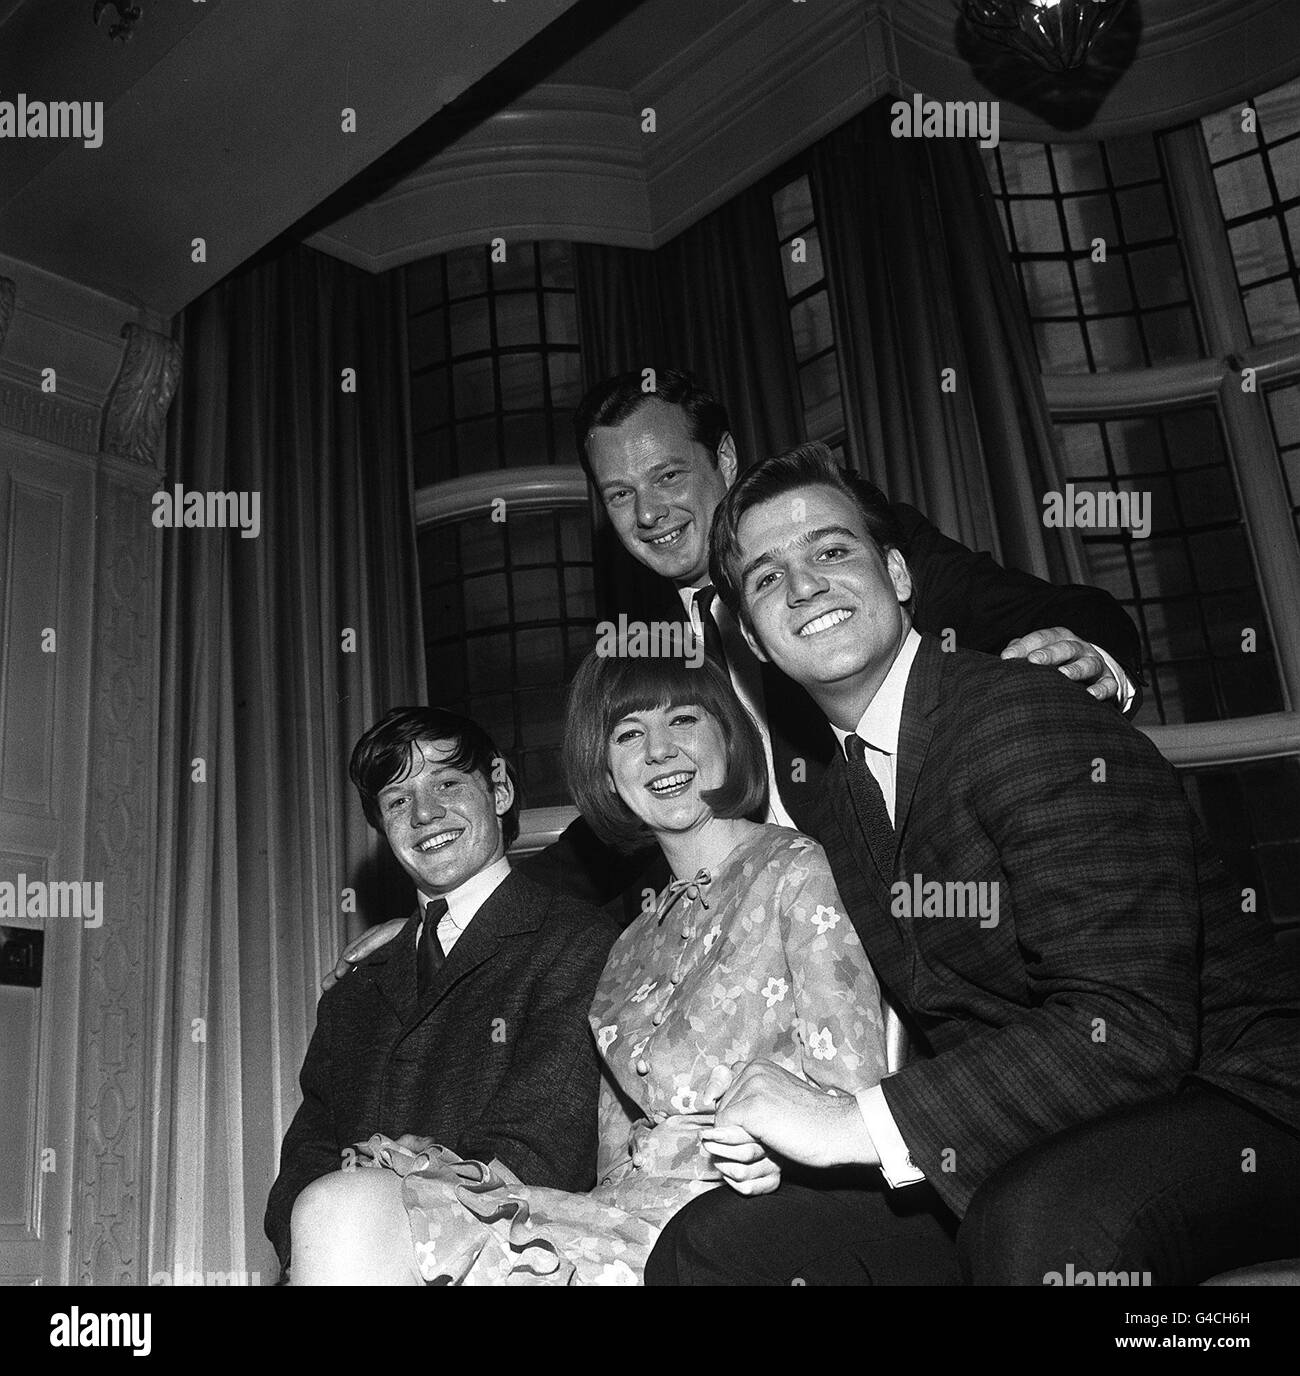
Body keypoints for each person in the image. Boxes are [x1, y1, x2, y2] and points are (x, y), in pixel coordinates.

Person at [646, 442, 1300, 1285]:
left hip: (1234, 1100)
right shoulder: (836, 800)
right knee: (716, 1244)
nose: (804, 585)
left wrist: (854, 1126)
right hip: (1037, 1128)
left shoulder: (1020, 712)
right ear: (755, 642)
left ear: (900, 575)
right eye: (767, 578)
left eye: (832, 551)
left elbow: (1131, 1027)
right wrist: (783, 1132)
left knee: (1041, 1221)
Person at [328, 367, 1144, 969]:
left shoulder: (827, 547)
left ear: (723, 456)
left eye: (668, 476)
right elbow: (609, 833)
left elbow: (1032, 607)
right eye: (618, 495)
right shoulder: (644, 639)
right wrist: (462, 909)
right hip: (760, 956)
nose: (648, 514)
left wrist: (1090, 656)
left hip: (931, 939)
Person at [286, 652, 898, 1285]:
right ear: (607, 774)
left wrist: (775, 1155)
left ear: (732, 736)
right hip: (623, 1219)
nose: (659, 752)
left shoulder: (796, 869)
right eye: (630, 735)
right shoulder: (630, 942)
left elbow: (850, 1106)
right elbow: (610, 1158)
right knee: (343, 1207)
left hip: (747, 1219)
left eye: (683, 721)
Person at [265, 707, 616, 1283]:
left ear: (499, 788)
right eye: (398, 801)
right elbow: (305, 1160)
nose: (425, 814)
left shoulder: (579, 943)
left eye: (447, 783)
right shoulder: (351, 994)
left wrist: (394, 1198)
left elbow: (546, 1138)